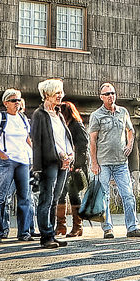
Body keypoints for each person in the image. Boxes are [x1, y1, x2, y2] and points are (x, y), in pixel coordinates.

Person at [89, 83, 140, 239]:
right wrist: (94, 163)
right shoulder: (96, 115)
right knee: (104, 196)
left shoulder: (123, 112)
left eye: (112, 93)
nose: (110, 96)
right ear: (101, 97)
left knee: (128, 195)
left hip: (121, 162)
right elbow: (92, 140)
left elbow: (131, 131)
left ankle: (132, 227)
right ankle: (108, 228)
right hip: (103, 162)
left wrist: (129, 145)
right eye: (107, 94)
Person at [0, 89, 34, 243]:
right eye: (13, 101)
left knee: (24, 198)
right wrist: (2, 155)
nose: (17, 103)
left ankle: (24, 232)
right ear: (6, 103)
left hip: (23, 161)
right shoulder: (0, 118)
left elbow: (27, 138)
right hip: (6, 161)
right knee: (0, 197)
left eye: (18, 100)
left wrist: (31, 155)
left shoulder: (23, 118)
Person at [31, 79, 73, 250]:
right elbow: (37, 143)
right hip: (49, 163)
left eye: (61, 92)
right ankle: (46, 236)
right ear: (47, 94)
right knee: (46, 199)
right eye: (56, 92)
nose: (60, 95)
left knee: (55, 199)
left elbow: (63, 138)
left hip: (63, 162)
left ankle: (52, 234)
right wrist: (38, 168)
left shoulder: (59, 114)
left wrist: (69, 154)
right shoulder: (39, 115)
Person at [58, 100, 90, 237]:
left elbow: (83, 145)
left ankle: (78, 226)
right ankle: (61, 225)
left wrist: (77, 165)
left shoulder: (76, 125)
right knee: (61, 194)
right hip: (64, 164)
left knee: (73, 194)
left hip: (75, 165)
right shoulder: (63, 124)